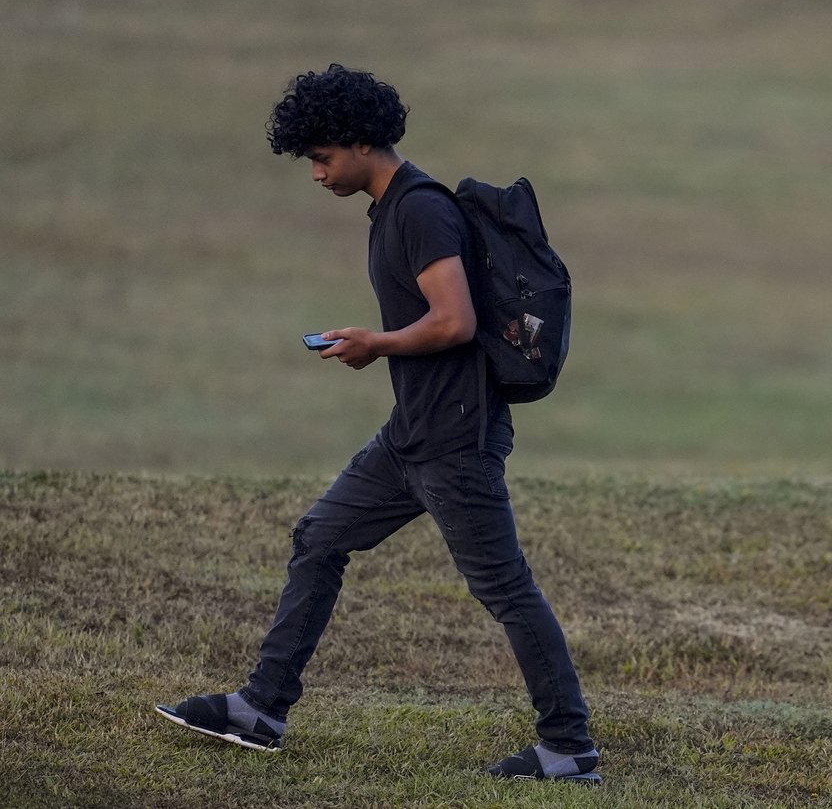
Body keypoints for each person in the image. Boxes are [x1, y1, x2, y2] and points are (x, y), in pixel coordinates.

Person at [155, 64, 599, 785]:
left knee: (505, 589)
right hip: (411, 435)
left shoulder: (420, 210)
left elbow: (454, 321)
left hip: (456, 442)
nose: (316, 173)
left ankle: (569, 748)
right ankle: (261, 709)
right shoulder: (392, 210)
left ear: (361, 142)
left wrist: (376, 343)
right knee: (320, 535)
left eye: (322, 157)